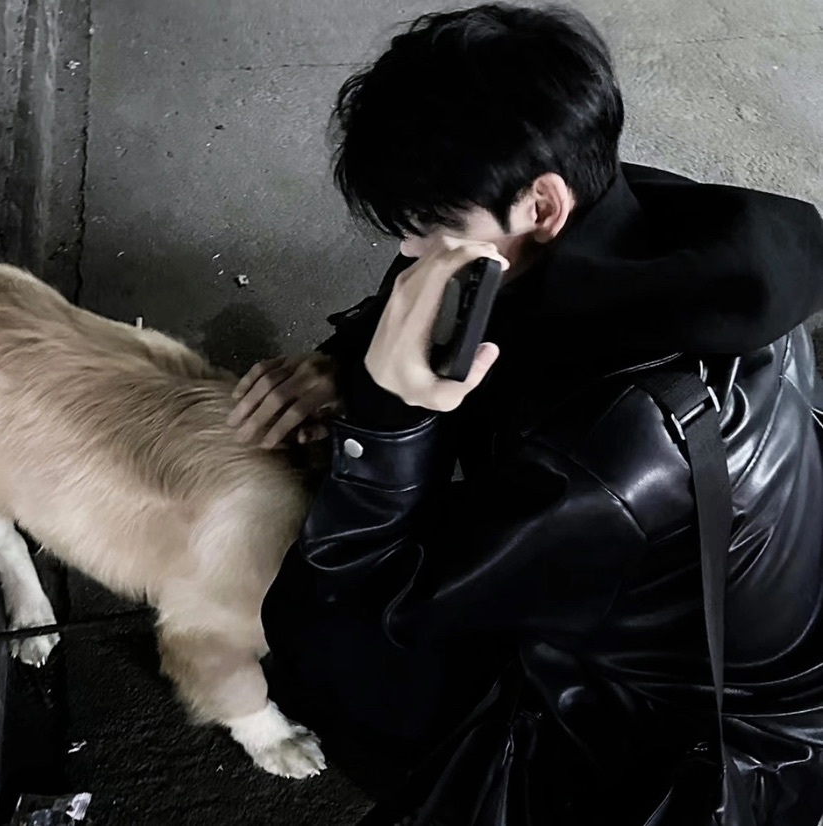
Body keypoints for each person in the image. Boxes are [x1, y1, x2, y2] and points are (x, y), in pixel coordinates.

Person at [228, 4, 823, 824]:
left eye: (433, 228)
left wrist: (388, 416)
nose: (410, 253)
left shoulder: (602, 462)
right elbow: (490, 281)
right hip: (754, 600)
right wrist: (358, 349)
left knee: (336, 666)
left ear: (542, 205)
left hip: (687, 727)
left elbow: (338, 612)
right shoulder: (671, 231)